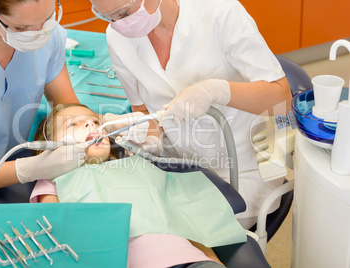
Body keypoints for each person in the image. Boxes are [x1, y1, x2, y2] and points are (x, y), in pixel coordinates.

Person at [89, 0, 293, 228]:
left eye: (124, 12)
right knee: (133, 221)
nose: (120, 24)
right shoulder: (117, 36)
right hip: (178, 164)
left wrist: (218, 90)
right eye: (108, 17)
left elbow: (281, 98)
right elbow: (143, 109)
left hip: (247, 166)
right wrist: (152, 137)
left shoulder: (219, 11)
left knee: (185, 235)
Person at [30, 103, 249, 268]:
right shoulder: (54, 180)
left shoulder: (136, 168)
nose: (90, 125)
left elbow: (188, 222)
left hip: (191, 260)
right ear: (49, 146)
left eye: (95, 122)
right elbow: (56, 232)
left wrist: (213, 261)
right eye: (73, 124)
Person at [0, 0, 87, 205]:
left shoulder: (49, 37)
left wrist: (106, 125)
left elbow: (68, 109)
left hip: (7, 183)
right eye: (21, 28)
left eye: (47, 19)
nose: (39, 33)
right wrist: (30, 169)